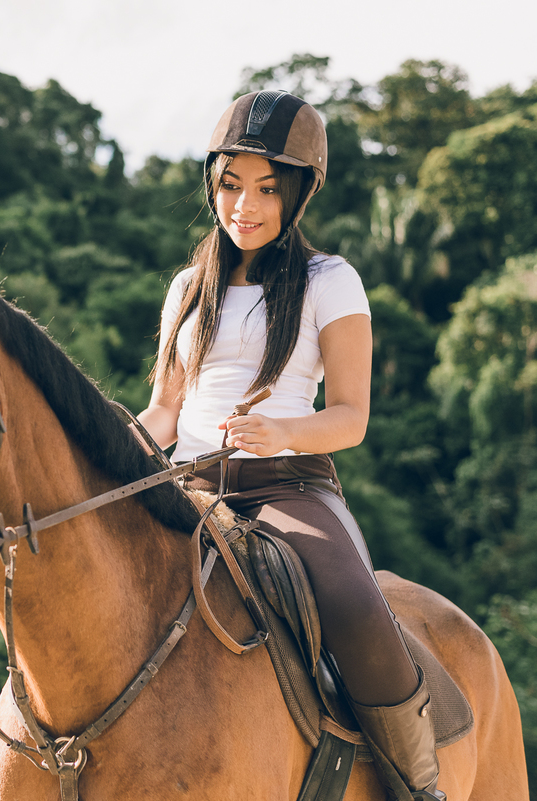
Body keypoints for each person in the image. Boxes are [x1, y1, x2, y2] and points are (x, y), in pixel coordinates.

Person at [137, 90, 444, 801]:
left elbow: (351, 416)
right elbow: (165, 408)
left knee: (357, 603)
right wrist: (119, 443)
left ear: (300, 193)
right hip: (188, 486)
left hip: (287, 487)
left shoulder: (329, 281)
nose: (244, 205)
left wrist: (283, 433)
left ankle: (418, 785)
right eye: (231, 184)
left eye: (268, 189)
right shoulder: (187, 287)